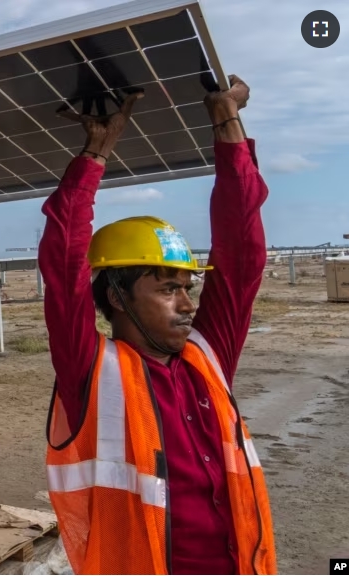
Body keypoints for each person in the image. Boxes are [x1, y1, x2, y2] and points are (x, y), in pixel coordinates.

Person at [39, 75, 277, 574]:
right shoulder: (93, 373)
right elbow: (63, 265)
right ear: (118, 297)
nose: (188, 305)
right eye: (168, 289)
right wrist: (95, 155)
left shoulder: (206, 357)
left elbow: (242, 255)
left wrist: (227, 124)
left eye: (187, 288)